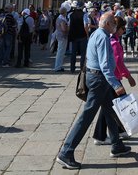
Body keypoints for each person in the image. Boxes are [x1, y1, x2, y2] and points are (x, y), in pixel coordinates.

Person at [56, 12, 131, 169]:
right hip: (99, 80)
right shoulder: (104, 37)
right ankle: (66, 152)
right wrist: (116, 85)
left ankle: (117, 145)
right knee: (87, 116)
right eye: (114, 24)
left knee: (110, 111)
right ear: (108, 24)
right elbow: (105, 66)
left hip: (93, 76)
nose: (116, 27)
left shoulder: (95, 33)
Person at [91, 15, 135, 144]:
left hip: (111, 78)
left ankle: (109, 134)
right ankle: (108, 135)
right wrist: (128, 76)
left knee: (109, 106)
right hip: (113, 79)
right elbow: (118, 63)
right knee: (117, 105)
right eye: (122, 28)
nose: (124, 31)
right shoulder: (114, 43)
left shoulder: (112, 40)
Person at [68, 2, 88, 73]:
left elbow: (69, 25)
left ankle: (72, 68)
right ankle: (82, 68)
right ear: (82, 7)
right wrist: (87, 35)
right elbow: (85, 26)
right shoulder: (84, 15)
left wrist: (69, 33)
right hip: (82, 35)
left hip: (74, 36)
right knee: (83, 53)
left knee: (73, 53)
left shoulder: (71, 14)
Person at [52, 3, 70, 72]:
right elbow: (64, 29)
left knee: (60, 51)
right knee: (60, 52)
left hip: (60, 36)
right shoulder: (62, 19)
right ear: (64, 12)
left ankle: (59, 66)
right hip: (62, 36)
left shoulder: (59, 17)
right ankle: (58, 67)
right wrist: (68, 26)